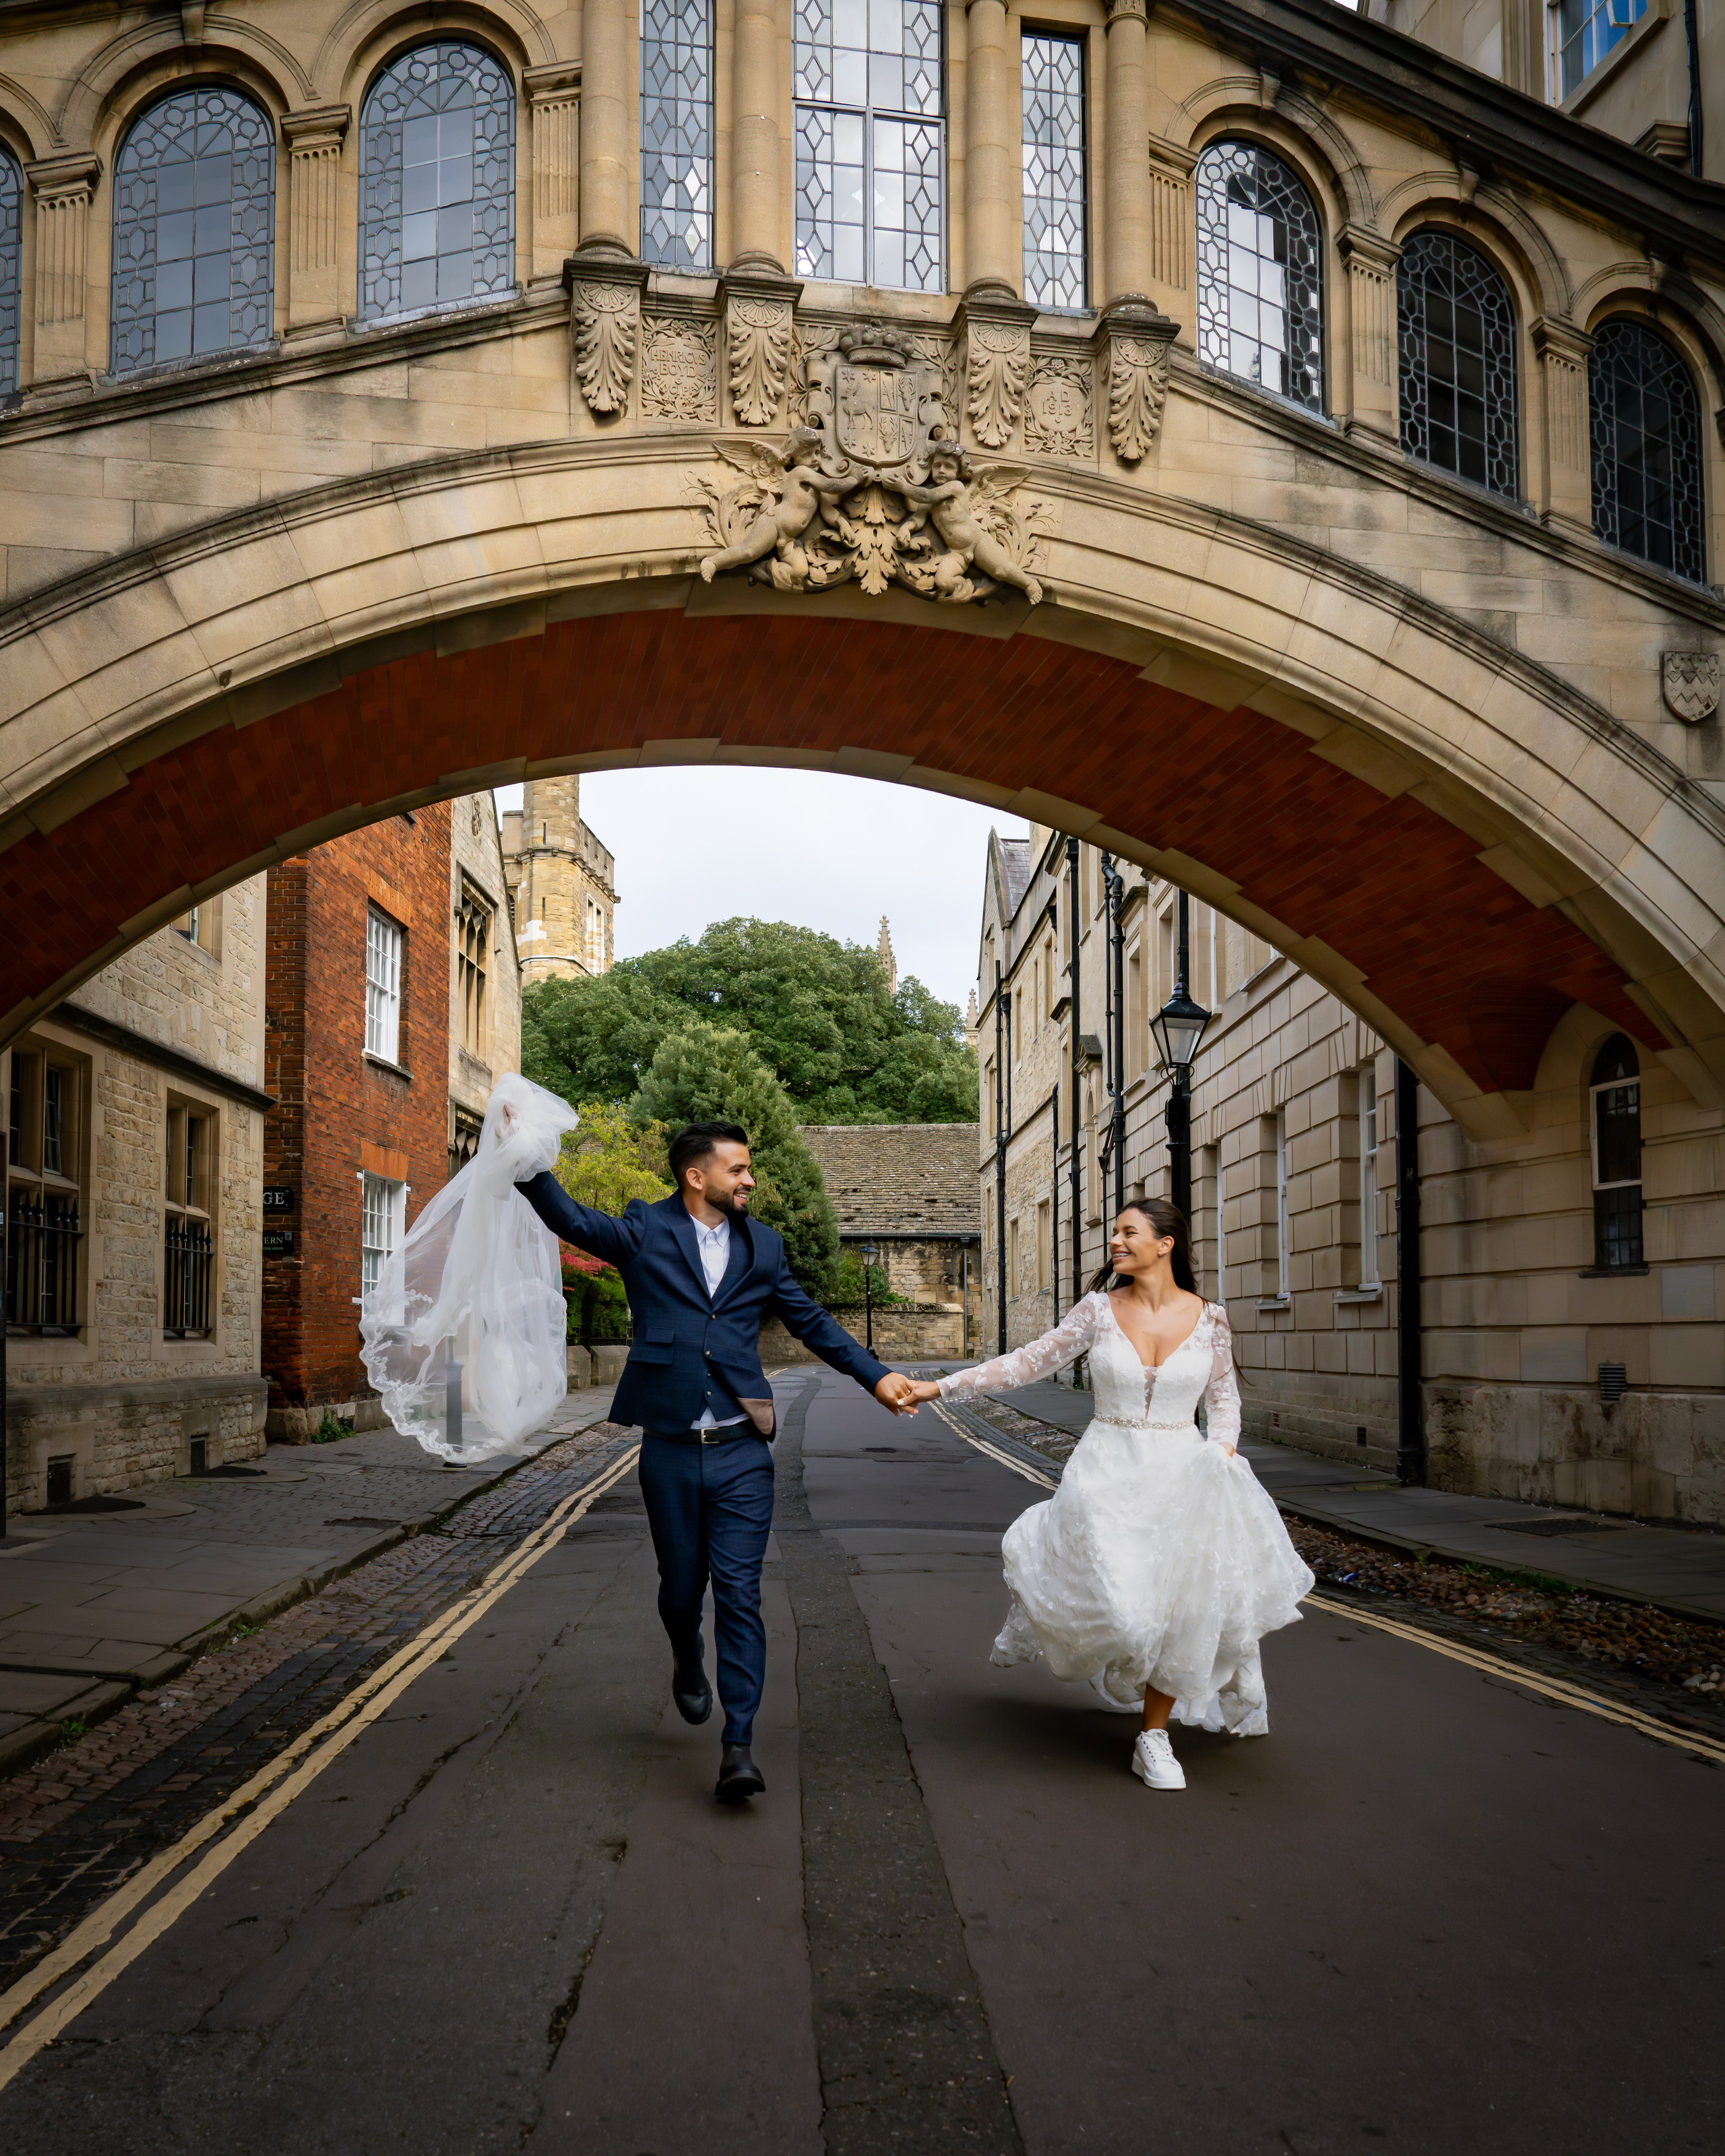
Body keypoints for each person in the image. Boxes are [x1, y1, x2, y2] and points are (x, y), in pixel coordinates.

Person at [515, 1122, 917, 1802]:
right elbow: (569, 1216)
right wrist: (521, 1156)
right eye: (738, 1168)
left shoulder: (763, 1245)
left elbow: (809, 1319)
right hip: (669, 1450)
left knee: (738, 1592)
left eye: (748, 1167)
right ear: (695, 1176)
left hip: (742, 1452)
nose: (750, 1179)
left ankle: (739, 1745)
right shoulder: (644, 1229)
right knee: (680, 1590)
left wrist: (874, 1376)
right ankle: (684, 1654)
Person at [903, 1197, 1313, 1792]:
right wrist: (937, 1387)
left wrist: (1221, 1456)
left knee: (1179, 1612)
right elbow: (1023, 1365)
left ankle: (1154, 1736)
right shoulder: (1098, 1310)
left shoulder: (1211, 1319)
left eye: (1129, 1232)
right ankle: (1129, 1683)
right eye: (1114, 1231)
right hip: (1105, 1477)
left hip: (1185, 1479)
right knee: (1125, 1612)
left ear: (1166, 1244)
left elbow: (1224, 1404)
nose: (1115, 1241)